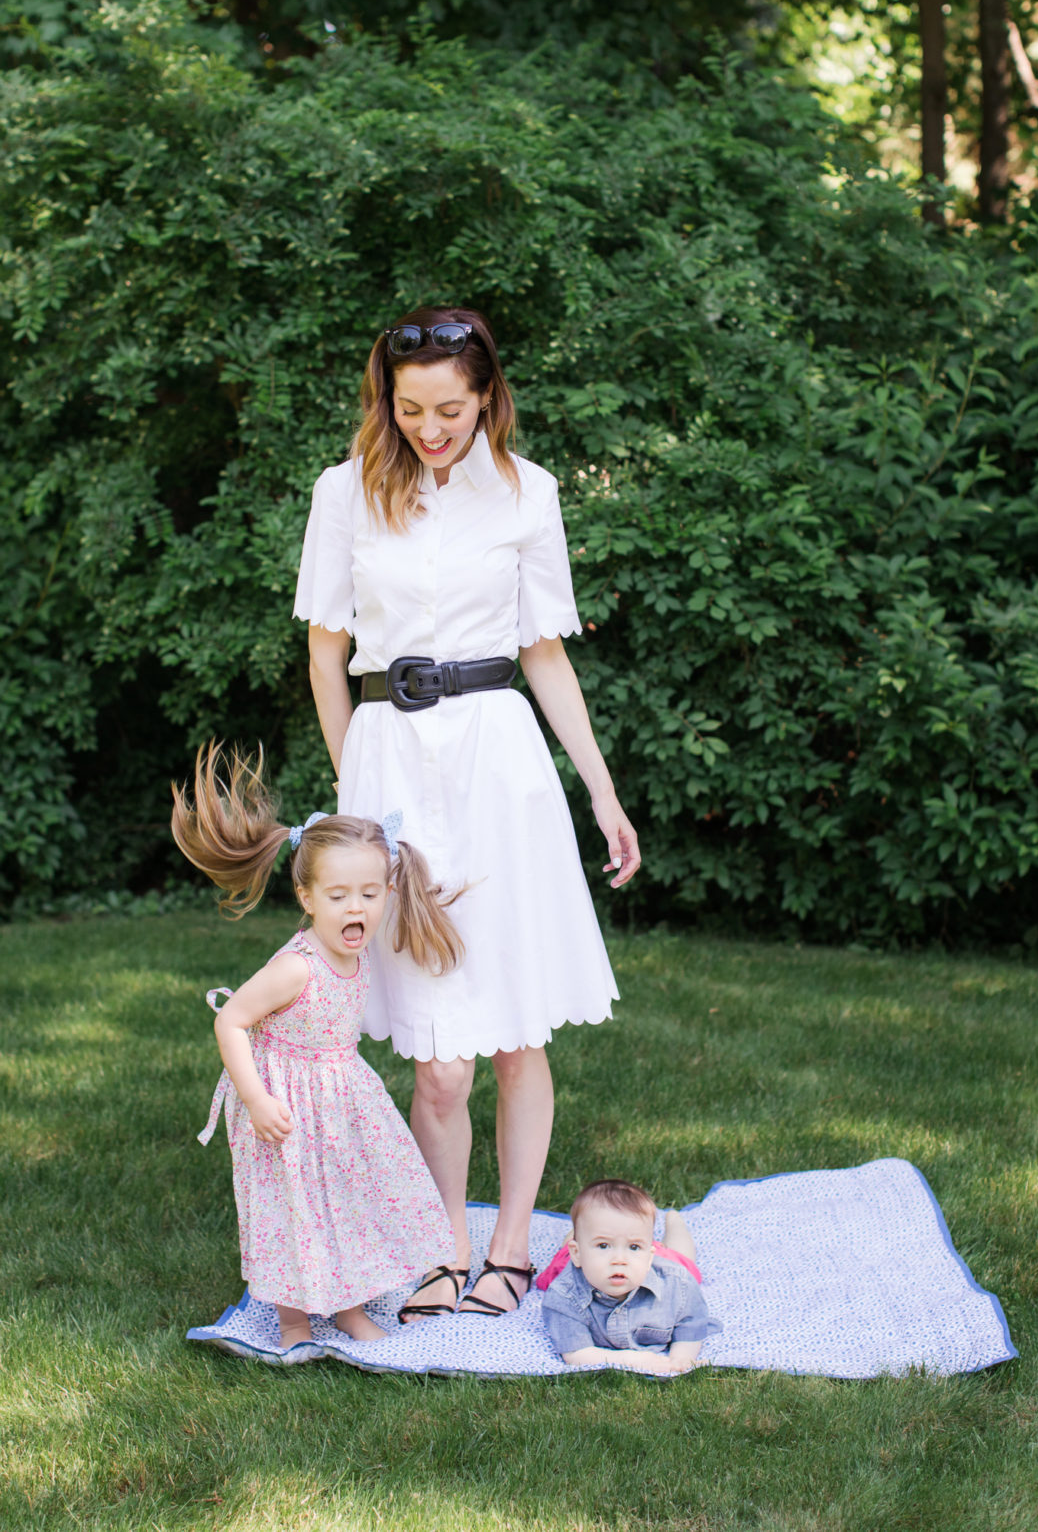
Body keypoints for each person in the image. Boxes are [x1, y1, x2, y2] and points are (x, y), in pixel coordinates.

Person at [293, 306, 640, 1320]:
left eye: (449, 407)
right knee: (436, 1063)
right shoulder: (343, 493)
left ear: (487, 395)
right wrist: (353, 787)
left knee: (513, 1034)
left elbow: (543, 653)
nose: (429, 428)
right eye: (409, 410)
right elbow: (325, 648)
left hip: (500, 769)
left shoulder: (529, 494)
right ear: (385, 403)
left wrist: (602, 790)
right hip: (390, 764)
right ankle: (438, 1246)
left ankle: (505, 1249)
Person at [171, 742, 461, 1352]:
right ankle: (295, 1319)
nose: (356, 907)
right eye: (338, 896)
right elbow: (231, 1022)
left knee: (348, 1198)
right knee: (292, 1206)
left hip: (338, 1097)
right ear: (307, 899)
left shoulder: (356, 951)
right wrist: (254, 1098)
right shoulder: (296, 967)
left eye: (369, 893)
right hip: (283, 1105)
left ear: (387, 889)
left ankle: (349, 1306)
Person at [537, 1179, 722, 1375]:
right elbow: (576, 1354)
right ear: (578, 1254)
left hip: (655, 1262)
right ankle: (580, 1233)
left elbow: (691, 1324)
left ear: (650, 1255)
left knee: (683, 1257)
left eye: (633, 1247)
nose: (619, 1260)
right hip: (577, 1260)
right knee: (566, 1252)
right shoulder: (564, 1294)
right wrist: (630, 1359)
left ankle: (674, 1220)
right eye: (603, 1246)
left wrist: (681, 1359)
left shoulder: (678, 1283)